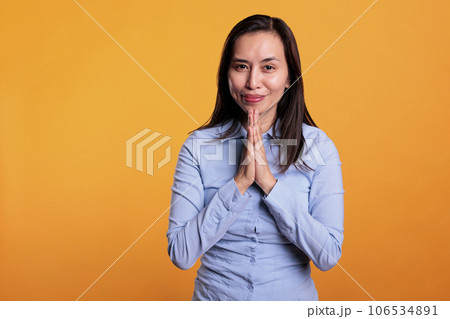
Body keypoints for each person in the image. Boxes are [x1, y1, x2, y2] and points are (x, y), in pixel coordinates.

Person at [166, 14, 344, 301]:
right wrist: (239, 183)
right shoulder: (197, 147)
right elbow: (181, 254)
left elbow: (328, 256)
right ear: (227, 75)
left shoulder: (318, 147)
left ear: (289, 77)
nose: (252, 82)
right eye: (241, 67)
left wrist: (270, 184)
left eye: (268, 67)